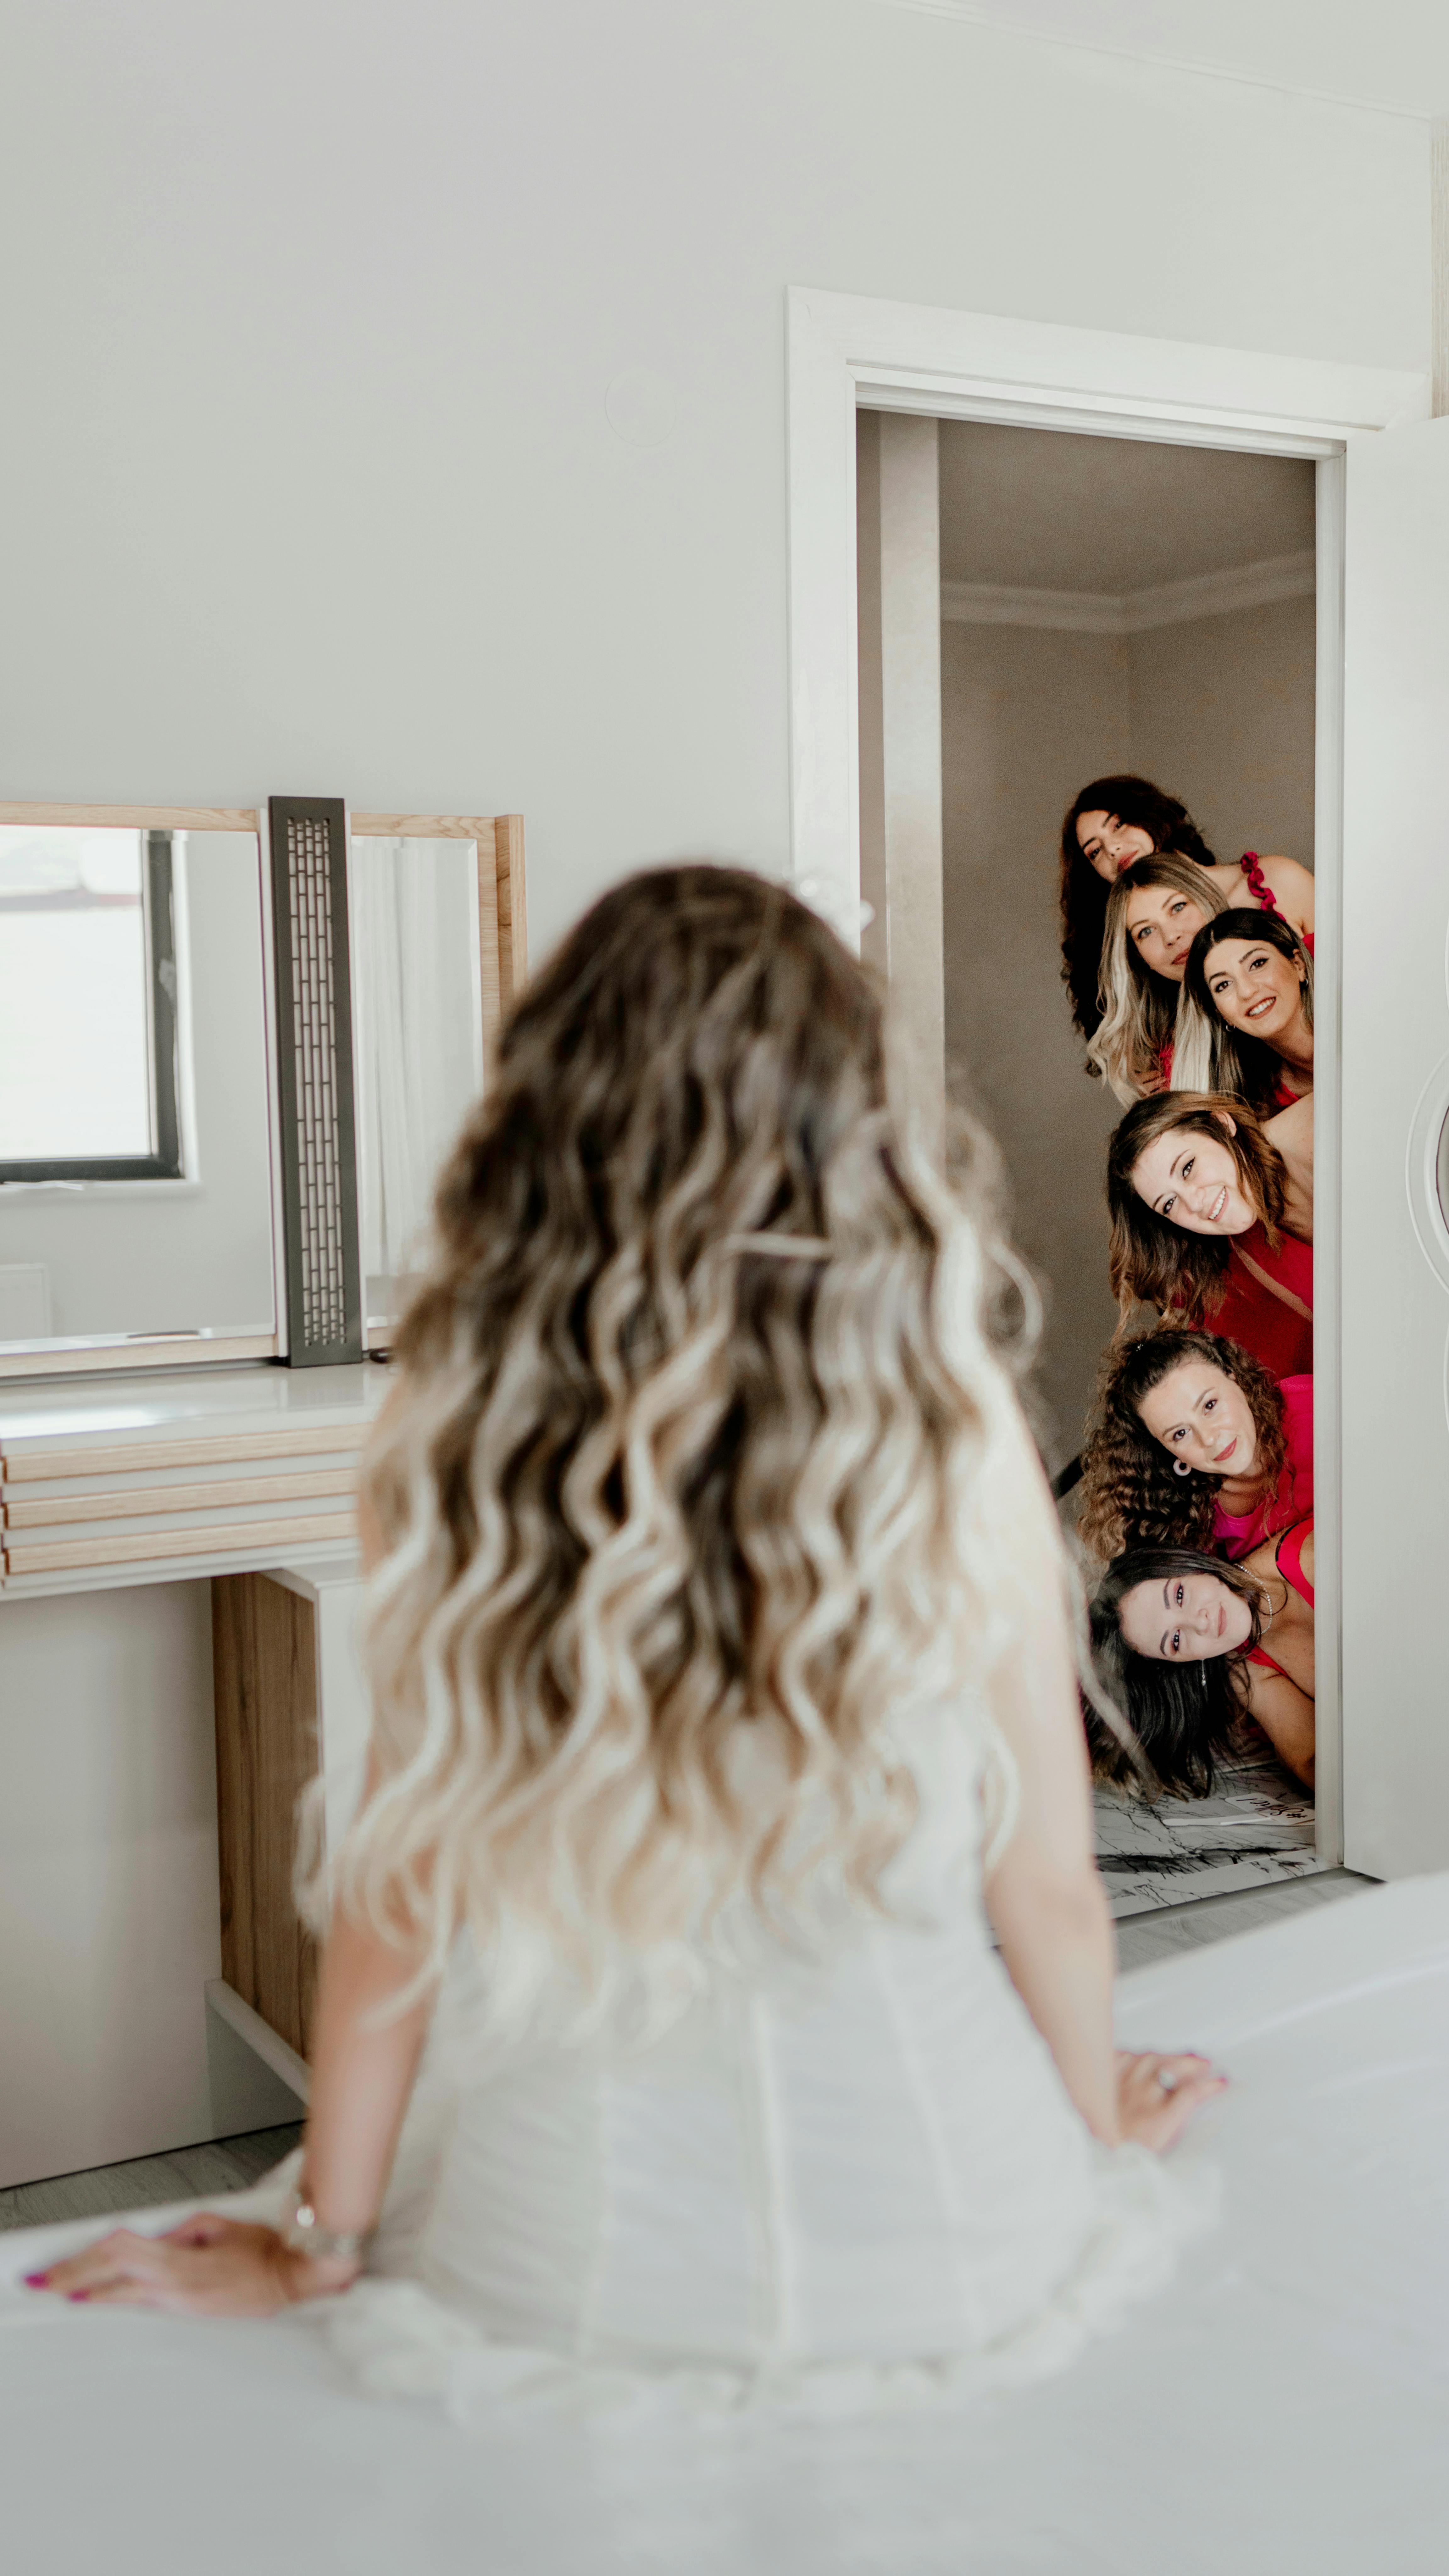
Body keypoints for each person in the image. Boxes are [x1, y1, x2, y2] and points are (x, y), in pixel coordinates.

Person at [27, 865, 1219, 2385]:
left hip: (572, 2252)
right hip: (948, 2224)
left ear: (555, 1121)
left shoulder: (461, 1444)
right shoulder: (950, 1429)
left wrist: (322, 2232)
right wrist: (1094, 2114)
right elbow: (1045, 1885)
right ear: (849, 1128)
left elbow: (400, 1883)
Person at [1059, 773, 1315, 1051]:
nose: (1112, 849)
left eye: (1119, 825)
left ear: (1149, 814)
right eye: (1094, 851)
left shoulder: (1277, 880)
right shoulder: (1151, 949)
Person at [1091, 1521, 1315, 1795]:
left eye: (1180, 1596)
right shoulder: (1247, 1666)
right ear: (1181, 1663)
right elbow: (1317, 1764)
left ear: (1191, 1565)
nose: (1200, 1623)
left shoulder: (1309, 1557)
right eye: (1175, 1640)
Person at [1106, 1091, 1312, 1381]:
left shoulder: (1312, 1134)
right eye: (1169, 1204)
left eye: (1188, 1168)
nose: (1195, 1203)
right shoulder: (1248, 1246)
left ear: (1221, 1124)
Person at [1076, 1327, 1312, 1565]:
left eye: (1210, 1406)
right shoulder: (1191, 1525)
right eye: (1180, 1434)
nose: (1208, 1439)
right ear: (1165, 1450)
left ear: (1234, 1377)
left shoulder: (1310, 1409)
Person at [1087, 856, 1228, 1102]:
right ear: (1140, 958)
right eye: (1146, 931)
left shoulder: (1272, 977)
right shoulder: (1163, 1050)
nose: (1170, 936)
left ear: (1206, 897)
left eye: (1178, 908)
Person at [1173, 910, 1313, 1108]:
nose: (1247, 992)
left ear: (1298, 965)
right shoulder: (1256, 1105)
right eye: (1223, 985)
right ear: (1220, 1013)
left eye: (1257, 964)